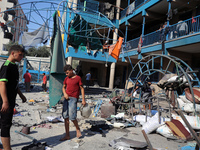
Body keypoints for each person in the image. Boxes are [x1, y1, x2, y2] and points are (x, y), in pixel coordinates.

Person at [0, 45, 27, 150]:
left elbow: (13, 84)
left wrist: (21, 95)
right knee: (5, 125)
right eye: (20, 55)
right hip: (5, 101)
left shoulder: (14, 66)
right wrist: (5, 102)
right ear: (12, 53)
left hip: (10, 100)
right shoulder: (7, 66)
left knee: (4, 123)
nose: (21, 57)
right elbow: (2, 84)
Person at [60, 65, 86, 141]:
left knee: (72, 116)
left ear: (71, 70)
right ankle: (67, 135)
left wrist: (83, 100)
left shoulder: (78, 78)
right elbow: (63, 87)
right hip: (66, 98)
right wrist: (64, 93)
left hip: (73, 99)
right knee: (65, 116)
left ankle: (77, 129)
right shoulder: (66, 79)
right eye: (65, 73)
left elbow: (82, 88)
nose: (66, 74)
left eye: (67, 73)